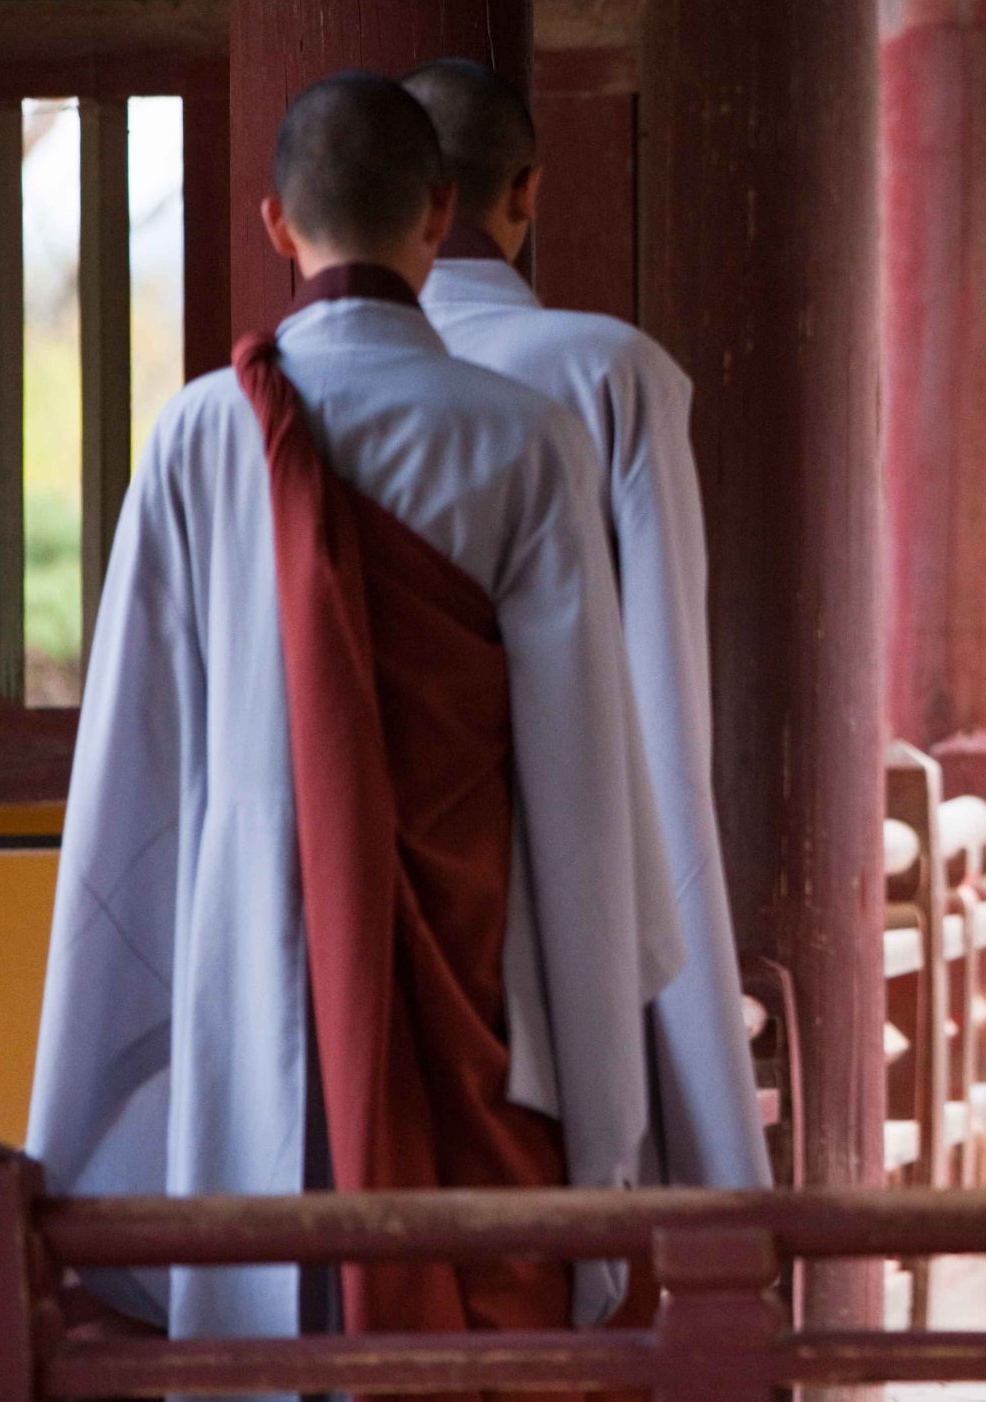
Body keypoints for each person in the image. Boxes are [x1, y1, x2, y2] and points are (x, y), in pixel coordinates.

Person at [27, 73, 682, 1355]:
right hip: (472, 949)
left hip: (250, 913)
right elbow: (579, 770)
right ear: (443, 214)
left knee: (266, 1232)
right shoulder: (525, 436)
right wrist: (599, 1007)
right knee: (468, 1299)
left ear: (276, 225)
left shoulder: (199, 436)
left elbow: (137, 757)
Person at [401, 57, 770, 1192]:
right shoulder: (606, 369)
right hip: (574, 841)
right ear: (527, 193)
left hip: (373, 850)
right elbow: (659, 683)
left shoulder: (288, 389)